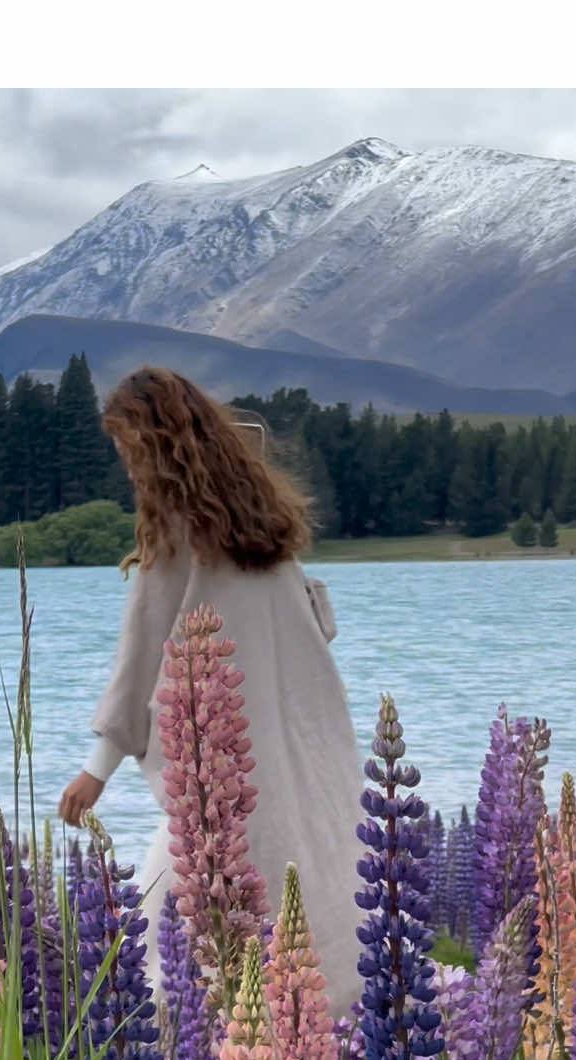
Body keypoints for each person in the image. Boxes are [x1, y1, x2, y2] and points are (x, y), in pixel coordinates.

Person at [58, 366, 362, 1019]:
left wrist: (95, 771)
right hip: (293, 749)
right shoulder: (263, 525)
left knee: (162, 932)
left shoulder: (174, 535)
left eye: (128, 449)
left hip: (217, 771)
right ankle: (310, 1047)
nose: (126, 466)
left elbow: (139, 660)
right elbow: (318, 628)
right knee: (297, 892)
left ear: (157, 446)